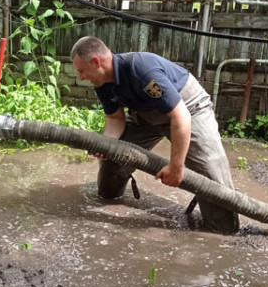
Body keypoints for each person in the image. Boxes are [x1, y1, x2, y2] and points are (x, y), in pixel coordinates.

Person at [70, 36, 239, 235]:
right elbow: (115, 118)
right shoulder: (102, 83)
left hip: (189, 108)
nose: (81, 77)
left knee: (209, 169)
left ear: (96, 62)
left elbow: (180, 117)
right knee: (113, 159)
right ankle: (110, 198)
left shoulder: (140, 69)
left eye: (81, 71)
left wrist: (176, 166)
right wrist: (106, 144)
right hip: (145, 114)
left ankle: (224, 232)